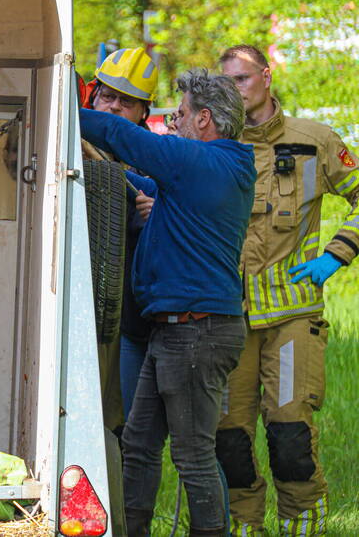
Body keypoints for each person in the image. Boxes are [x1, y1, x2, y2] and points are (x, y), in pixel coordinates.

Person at [80, 68, 256, 537]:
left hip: (196, 333)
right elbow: (161, 191)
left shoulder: (199, 163)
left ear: (204, 120)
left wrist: (54, 110)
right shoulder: (224, 167)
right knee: (138, 444)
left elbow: (119, 132)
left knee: (194, 456)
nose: (171, 122)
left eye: (178, 115)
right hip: (178, 330)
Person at [216, 45, 359, 536]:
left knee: (289, 431)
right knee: (229, 436)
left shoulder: (314, 140)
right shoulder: (214, 142)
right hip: (228, 316)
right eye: (226, 82)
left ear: (266, 77)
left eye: (242, 79)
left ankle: (304, 523)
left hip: (293, 313)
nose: (235, 89)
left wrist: (336, 254)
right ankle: (244, 524)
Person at [81, 47, 158, 433]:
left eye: (125, 103)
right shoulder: (68, 144)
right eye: (106, 96)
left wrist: (152, 219)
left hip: (126, 317)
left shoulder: (156, 160)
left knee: (122, 424)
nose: (111, 108)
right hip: (73, 300)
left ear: (143, 112)